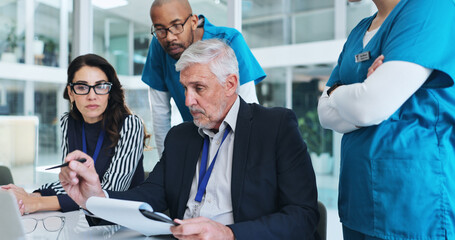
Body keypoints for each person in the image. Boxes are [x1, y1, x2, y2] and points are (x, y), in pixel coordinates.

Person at [59, 39, 319, 240]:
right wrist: (96, 199)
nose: (187, 101)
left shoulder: (275, 127)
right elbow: (151, 195)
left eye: (199, 88)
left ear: (230, 84)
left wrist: (229, 233)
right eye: (185, 88)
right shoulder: (181, 136)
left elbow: (303, 216)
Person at [317, 0, 455, 239]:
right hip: (358, 201)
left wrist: (338, 93)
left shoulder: (432, 7)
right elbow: (324, 114)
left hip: (413, 205)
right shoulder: (359, 31)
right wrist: (361, 95)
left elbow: (368, 106)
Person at [2, 54, 149, 215]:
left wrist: (37, 202)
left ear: (109, 91)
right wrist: (29, 195)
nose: (92, 96)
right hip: (82, 218)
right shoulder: (68, 122)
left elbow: (108, 191)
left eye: (100, 86)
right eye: (81, 87)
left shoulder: (130, 124)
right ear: (71, 93)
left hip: (123, 220)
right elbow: (70, 183)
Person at [143, 0, 266, 156]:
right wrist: (166, 164)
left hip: (235, 140)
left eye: (177, 26)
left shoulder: (230, 40)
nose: (169, 37)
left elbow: (249, 110)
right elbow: (160, 115)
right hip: (196, 142)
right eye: (160, 30)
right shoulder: (159, 45)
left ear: (194, 22)